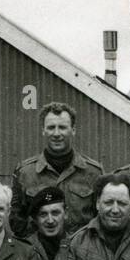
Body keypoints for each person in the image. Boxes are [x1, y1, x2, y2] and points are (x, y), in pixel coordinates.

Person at [9, 101, 104, 240]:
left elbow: (101, 219)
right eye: (51, 127)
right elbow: (17, 220)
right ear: (43, 130)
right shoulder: (25, 173)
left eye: (63, 127)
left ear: (73, 130)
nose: (56, 133)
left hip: (81, 255)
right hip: (39, 255)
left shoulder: (94, 172)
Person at [26, 185, 69, 260]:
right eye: (43, 214)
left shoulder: (76, 246)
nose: (50, 220)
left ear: (66, 213)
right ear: (35, 218)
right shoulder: (25, 248)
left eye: (55, 213)